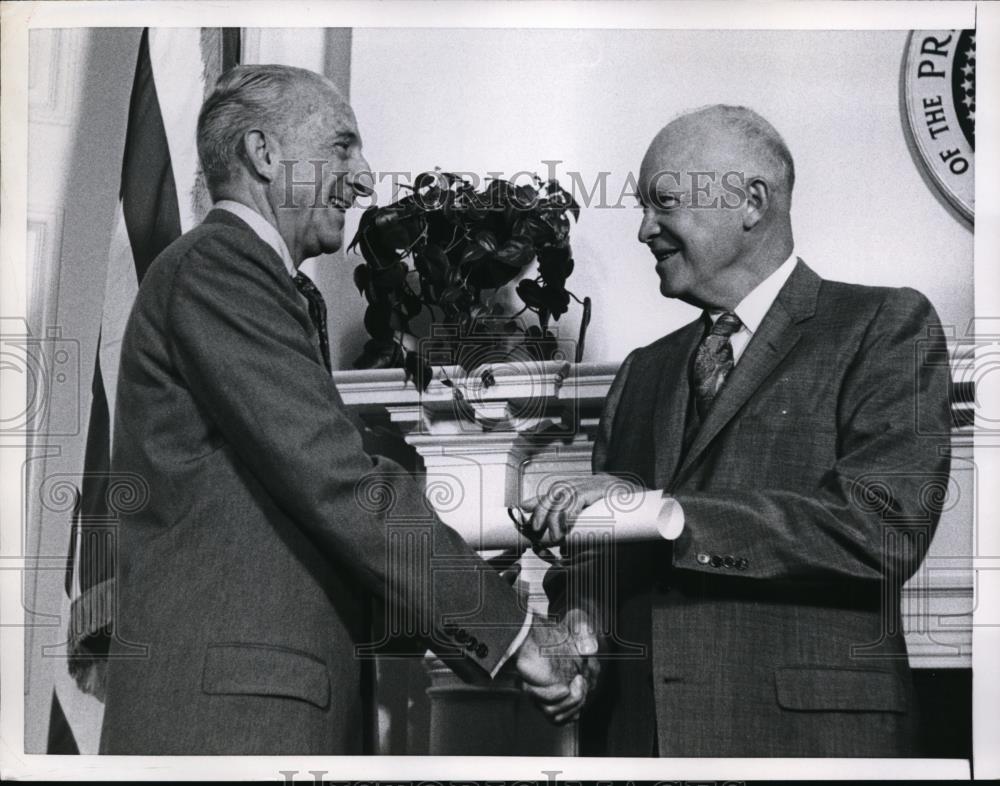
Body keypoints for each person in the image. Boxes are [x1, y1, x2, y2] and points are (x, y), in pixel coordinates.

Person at [99, 64, 595, 755]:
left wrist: (496, 605)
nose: (365, 178)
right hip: (230, 724)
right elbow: (340, 483)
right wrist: (511, 629)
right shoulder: (219, 267)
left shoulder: (262, 284)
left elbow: (299, 538)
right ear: (264, 154)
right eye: (342, 146)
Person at [522, 104, 953, 756]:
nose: (643, 230)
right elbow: (600, 567)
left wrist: (660, 511)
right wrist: (575, 639)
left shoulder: (884, 326)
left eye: (662, 201)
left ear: (752, 201)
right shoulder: (643, 373)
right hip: (639, 746)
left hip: (810, 746)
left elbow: (883, 526)